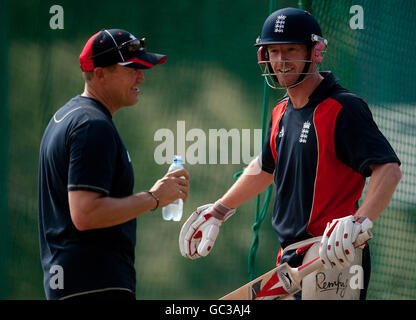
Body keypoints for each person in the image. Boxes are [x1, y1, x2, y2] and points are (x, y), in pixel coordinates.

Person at [179, 8, 401, 300]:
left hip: (332, 253)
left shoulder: (344, 108)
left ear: (314, 51)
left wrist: (361, 220)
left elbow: (389, 169)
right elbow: (266, 166)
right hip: (289, 258)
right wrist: (220, 210)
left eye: (291, 50)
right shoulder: (281, 111)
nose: (281, 61)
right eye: (274, 51)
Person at [38, 28, 190, 300]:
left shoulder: (68, 116)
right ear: (99, 73)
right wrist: (154, 198)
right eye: (132, 69)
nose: (141, 77)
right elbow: (86, 213)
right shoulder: (92, 126)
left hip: (73, 284)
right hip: (94, 285)